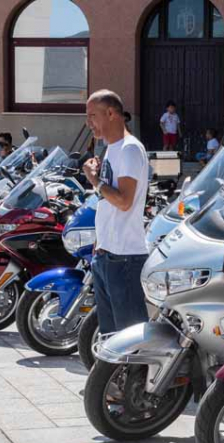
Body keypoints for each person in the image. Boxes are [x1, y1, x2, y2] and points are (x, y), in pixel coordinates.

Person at [83, 89, 149, 335]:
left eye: (92, 115)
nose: (88, 123)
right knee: (111, 337)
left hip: (125, 257)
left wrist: (94, 180)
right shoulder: (112, 148)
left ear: (111, 113)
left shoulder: (130, 149)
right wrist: (100, 243)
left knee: (129, 340)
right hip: (107, 255)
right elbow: (108, 203)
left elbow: (124, 201)